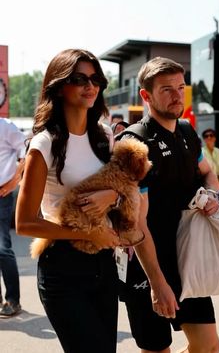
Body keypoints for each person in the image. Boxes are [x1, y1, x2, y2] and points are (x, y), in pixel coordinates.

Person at [15, 49, 121, 353]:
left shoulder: (103, 135)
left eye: (96, 79)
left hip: (104, 264)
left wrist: (112, 194)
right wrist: (88, 232)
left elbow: (120, 184)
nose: (91, 86)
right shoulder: (45, 143)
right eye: (79, 79)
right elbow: (24, 223)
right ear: (60, 86)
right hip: (63, 266)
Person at [119, 57, 219, 353]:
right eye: (167, 90)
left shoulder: (188, 132)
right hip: (146, 267)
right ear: (146, 95)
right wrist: (158, 283)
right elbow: (137, 224)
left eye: (181, 87)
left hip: (187, 259)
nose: (178, 96)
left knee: (208, 346)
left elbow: (209, 174)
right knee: (156, 350)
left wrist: (212, 196)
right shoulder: (134, 144)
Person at [0, 117, 25, 317]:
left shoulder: (5, 126)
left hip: (1, 195)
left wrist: (14, 181)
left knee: (2, 248)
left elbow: (27, 153)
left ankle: (13, 300)